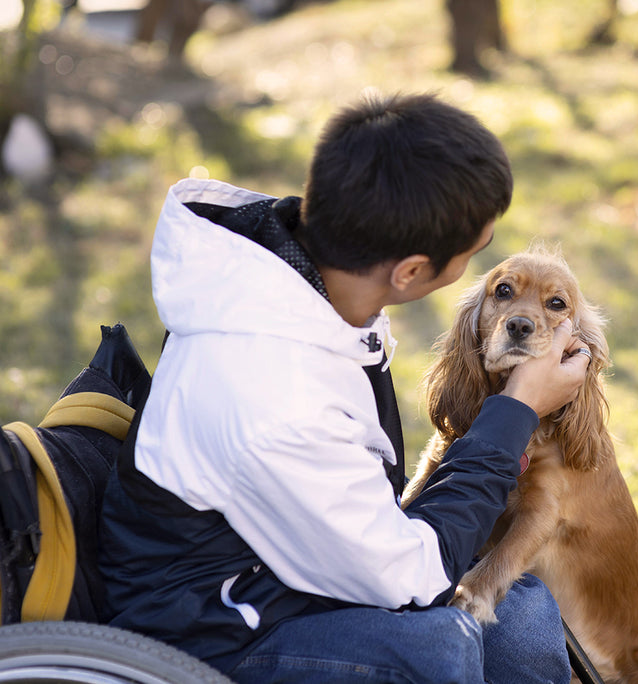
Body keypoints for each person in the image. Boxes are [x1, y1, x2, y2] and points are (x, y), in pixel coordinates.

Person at [98, 92, 591, 683]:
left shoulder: (308, 286)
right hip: (214, 631)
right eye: (472, 256)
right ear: (411, 271)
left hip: (288, 567)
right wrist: (515, 409)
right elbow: (410, 578)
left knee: (524, 610)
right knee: (438, 647)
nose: (474, 271)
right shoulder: (274, 395)